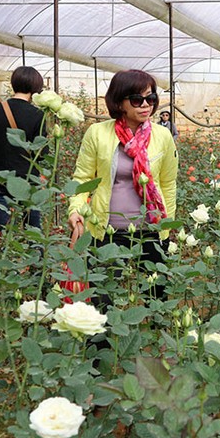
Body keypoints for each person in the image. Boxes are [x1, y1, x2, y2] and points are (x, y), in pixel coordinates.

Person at [68, 69, 178, 298]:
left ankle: (152, 331)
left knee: (155, 296)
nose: (146, 105)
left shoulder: (162, 136)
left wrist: (165, 227)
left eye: (151, 98)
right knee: (103, 297)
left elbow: (167, 184)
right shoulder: (97, 133)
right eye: (137, 100)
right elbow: (83, 178)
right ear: (119, 102)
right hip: (106, 231)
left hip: (150, 230)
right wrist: (76, 209)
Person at [0, 66, 46, 231]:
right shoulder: (37, 115)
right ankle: (35, 256)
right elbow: (41, 153)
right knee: (33, 232)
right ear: (36, 87)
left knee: (7, 232)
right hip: (27, 182)